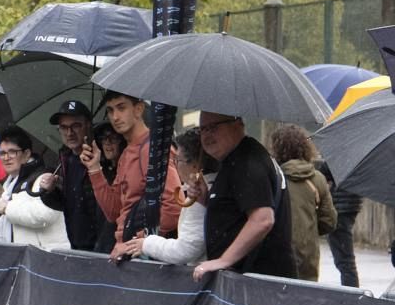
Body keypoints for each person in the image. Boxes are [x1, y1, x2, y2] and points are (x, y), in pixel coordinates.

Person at [192, 112, 296, 281]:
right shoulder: (239, 157)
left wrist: (224, 260)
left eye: (213, 128)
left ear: (237, 123)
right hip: (251, 280)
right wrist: (206, 198)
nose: (207, 135)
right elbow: (236, 212)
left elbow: (263, 219)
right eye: (202, 129)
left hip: (258, 281)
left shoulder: (247, 161)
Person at [84, 91, 181, 244]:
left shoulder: (151, 148)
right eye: (110, 110)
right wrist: (94, 169)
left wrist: (138, 242)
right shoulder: (127, 153)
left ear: (139, 109)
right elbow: (114, 212)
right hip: (129, 250)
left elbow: (174, 207)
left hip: (142, 256)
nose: (115, 117)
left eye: (121, 108)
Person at [112, 129, 210, 266]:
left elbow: (187, 249)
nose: (175, 164)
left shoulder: (198, 193)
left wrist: (146, 243)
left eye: (177, 160)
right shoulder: (198, 190)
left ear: (194, 164)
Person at [36, 100, 112, 252]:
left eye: (76, 126)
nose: (69, 133)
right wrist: (48, 191)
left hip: (103, 250)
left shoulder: (104, 157)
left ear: (88, 125)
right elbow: (68, 204)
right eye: (64, 127)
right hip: (77, 246)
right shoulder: (65, 159)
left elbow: (109, 206)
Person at [270, 124, 336, 282]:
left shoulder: (271, 177)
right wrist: (308, 230)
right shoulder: (317, 178)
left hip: (276, 256)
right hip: (308, 258)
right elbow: (329, 222)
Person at [0, 127, 64, 247]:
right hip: (23, 259)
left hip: (46, 259)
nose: (6, 157)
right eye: (2, 153)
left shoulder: (43, 178)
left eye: (12, 152)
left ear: (26, 154)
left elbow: (45, 214)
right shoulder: (9, 186)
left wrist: (6, 208)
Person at [93, 122, 125, 186]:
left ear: (122, 141)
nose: (107, 142)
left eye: (113, 137)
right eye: (104, 138)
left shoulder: (129, 169)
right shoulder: (99, 169)